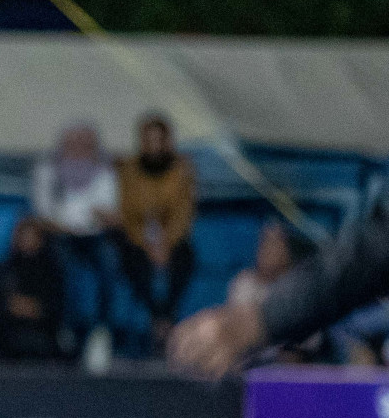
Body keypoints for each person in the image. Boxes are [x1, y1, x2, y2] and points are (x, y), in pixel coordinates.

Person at [169, 199, 389, 376]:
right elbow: (370, 253)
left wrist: (262, 320)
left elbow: (367, 256)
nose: (266, 250)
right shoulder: (245, 281)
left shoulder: (293, 278)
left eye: (275, 244)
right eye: (264, 243)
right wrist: (260, 320)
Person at [31, 123, 120, 358]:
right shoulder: (47, 170)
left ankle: (101, 330)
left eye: (86, 144)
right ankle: (66, 327)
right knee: (64, 269)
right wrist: (65, 226)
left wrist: (101, 219)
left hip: (95, 237)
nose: (79, 149)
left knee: (110, 263)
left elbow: (111, 214)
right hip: (60, 235)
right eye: (74, 143)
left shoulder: (105, 171)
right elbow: (42, 214)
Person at [114, 113, 197, 347]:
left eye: (159, 139)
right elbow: (128, 214)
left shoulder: (182, 169)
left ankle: (166, 316)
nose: (154, 146)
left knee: (184, 260)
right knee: (133, 262)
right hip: (139, 240)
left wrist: (166, 243)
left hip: (172, 239)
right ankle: (157, 318)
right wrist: (147, 243)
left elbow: (183, 213)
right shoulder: (129, 170)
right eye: (149, 140)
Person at [0, 216, 67, 361]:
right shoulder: (5, 269)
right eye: (22, 236)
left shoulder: (51, 272)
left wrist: (34, 308)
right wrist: (12, 306)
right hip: (9, 336)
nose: (25, 241)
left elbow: (55, 308)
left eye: (31, 236)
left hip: (42, 337)